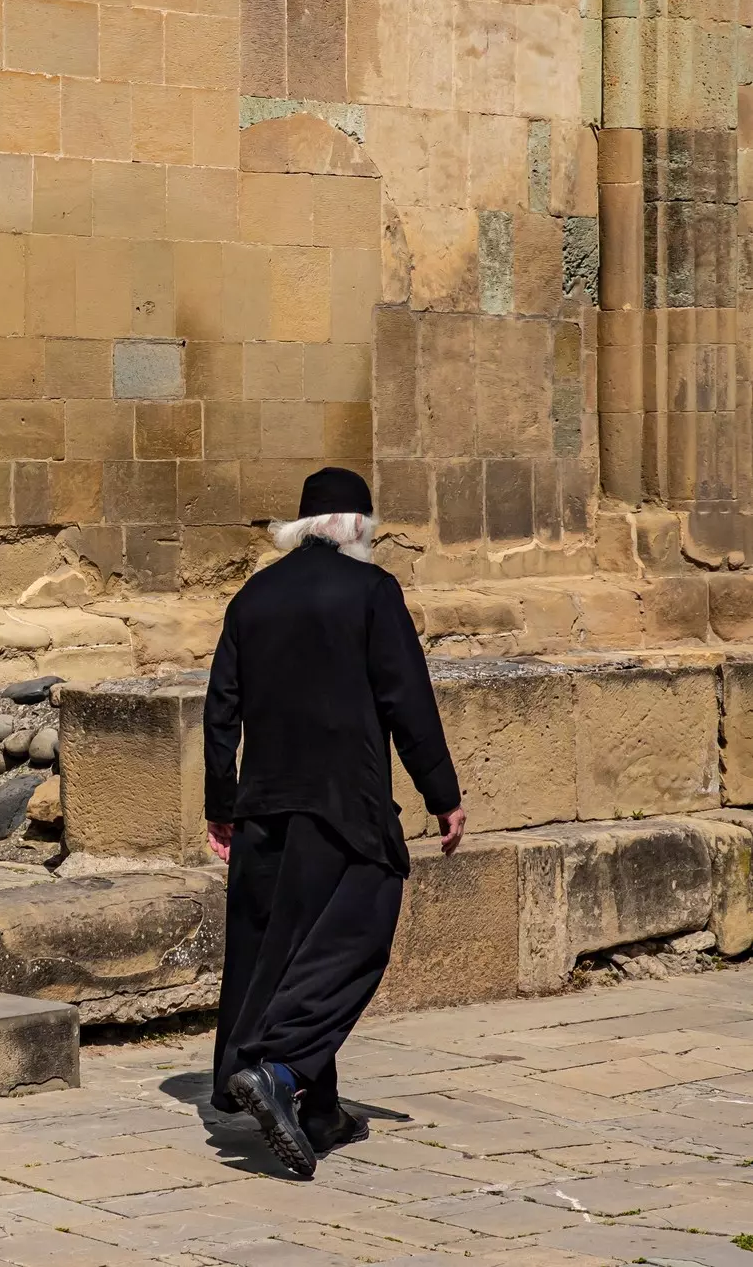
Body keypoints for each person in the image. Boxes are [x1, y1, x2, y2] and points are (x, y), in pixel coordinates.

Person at [203, 466, 467, 1179]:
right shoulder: (372, 592)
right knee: (356, 935)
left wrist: (220, 807)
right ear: (356, 527)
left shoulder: (252, 597)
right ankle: (280, 1070)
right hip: (345, 807)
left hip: (263, 806)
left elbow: (220, 706)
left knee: (284, 948)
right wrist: (443, 793)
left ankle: (319, 1112)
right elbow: (406, 699)